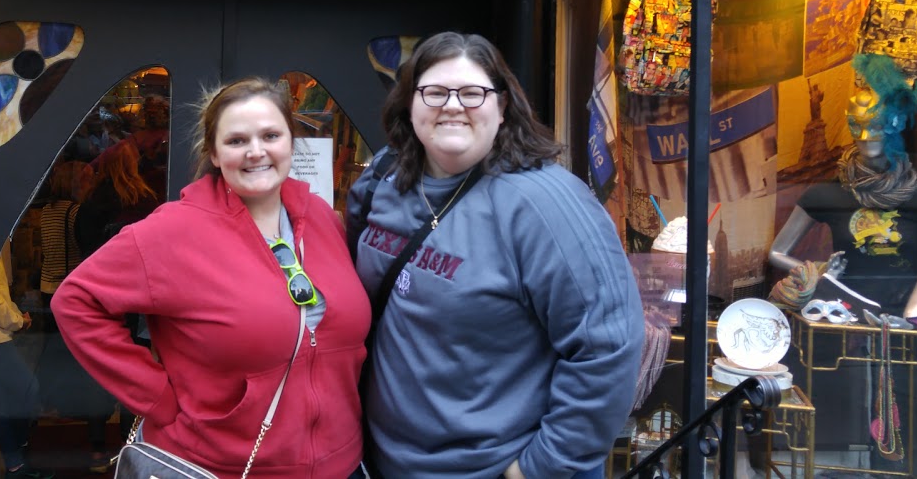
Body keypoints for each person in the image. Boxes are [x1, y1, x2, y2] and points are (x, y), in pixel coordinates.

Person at [345, 32, 643, 479]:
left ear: (502, 107)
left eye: (472, 93)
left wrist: (538, 468)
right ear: (410, 103)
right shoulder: (385, 178)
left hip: (493, 467)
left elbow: (607, 347)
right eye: (434, 92)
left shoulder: (546, 203)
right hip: (382, 462)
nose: (452, 105)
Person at [53, 78, 370, 479]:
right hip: (217, 466)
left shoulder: (324, 219)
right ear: (215, 154)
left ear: (291, 142)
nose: (256, 151)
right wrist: (158, 398)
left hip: (341, 464)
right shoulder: (175, 231)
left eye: (271, 135)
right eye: (237, 141)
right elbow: (76, 301)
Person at [769, 53, 917, 320]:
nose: (866, 137)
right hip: (844, 314)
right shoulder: (828, 193)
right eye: (858, 125)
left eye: (875, 125)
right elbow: (777, 251)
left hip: (906, 316)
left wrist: (909, 316)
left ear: (895, 123)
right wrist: (819, 273)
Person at [0, 239, 51, 478]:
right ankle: (17, 459)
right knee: (26, 389)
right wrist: (17, 321)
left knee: (6, 399)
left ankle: (16, 463)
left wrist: (17, 316)